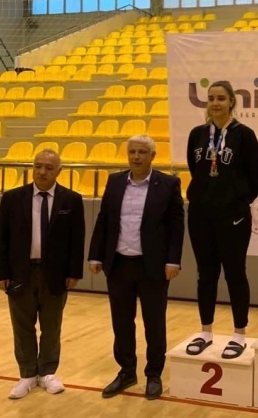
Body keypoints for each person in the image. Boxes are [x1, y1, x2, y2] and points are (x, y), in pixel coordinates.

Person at [88, 135, 185, 400]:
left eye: (142, 152)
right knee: (121, 322)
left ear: (153, 156)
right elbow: (103, 219)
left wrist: (173, 260)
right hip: (118, 263)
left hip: (152, 266)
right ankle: (127, 371)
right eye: (132, 152)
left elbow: (176, 226)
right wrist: (95, 255)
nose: (136, 157)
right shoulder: (115, 181)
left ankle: (153, 374)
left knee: (154, 323)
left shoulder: (168, 184)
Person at [0, 149, 85, 399]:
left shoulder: (71, 200)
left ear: (59, 171)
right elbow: (0, 239)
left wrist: (74, 272)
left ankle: (47, 372)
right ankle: (27, 374)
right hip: (20, 272)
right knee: (22, 326)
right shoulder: (12, 198)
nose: (42, 172)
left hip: (55, 274)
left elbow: (77, 240)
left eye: (48, 168)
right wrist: (0, 272)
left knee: (52, 326)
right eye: (38, 166)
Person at [184, 80, 258, 359]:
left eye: (221, 98)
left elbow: (256, 177)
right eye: (211, 98)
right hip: (200, 215)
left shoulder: (244, 135)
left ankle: (239, 333)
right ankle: (205, 331)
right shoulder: (197, 134)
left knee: (235, 273)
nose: (215, 103)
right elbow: (194, 169)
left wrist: (236, 201)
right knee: (205, 274)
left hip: (233, 217)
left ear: (232, 102)